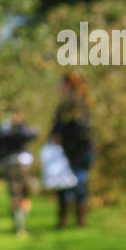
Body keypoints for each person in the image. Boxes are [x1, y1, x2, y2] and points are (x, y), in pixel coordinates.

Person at [50, 72, 95, 228]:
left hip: (80, 152)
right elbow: (56, 128)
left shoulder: (81, 105)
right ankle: (64, 221)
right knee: (64, 187)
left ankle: (80, 221)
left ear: (68, 85)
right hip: (66, 153)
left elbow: (83, 130)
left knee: (79, 185)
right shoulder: (64, 107)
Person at [0, 108, 38, 236]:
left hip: (21, 163)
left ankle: (20, 223)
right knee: (16, 194)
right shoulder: (6, 130)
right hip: (13, 163)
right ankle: (20, 225)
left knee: (23, 193)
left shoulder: (17, 129)